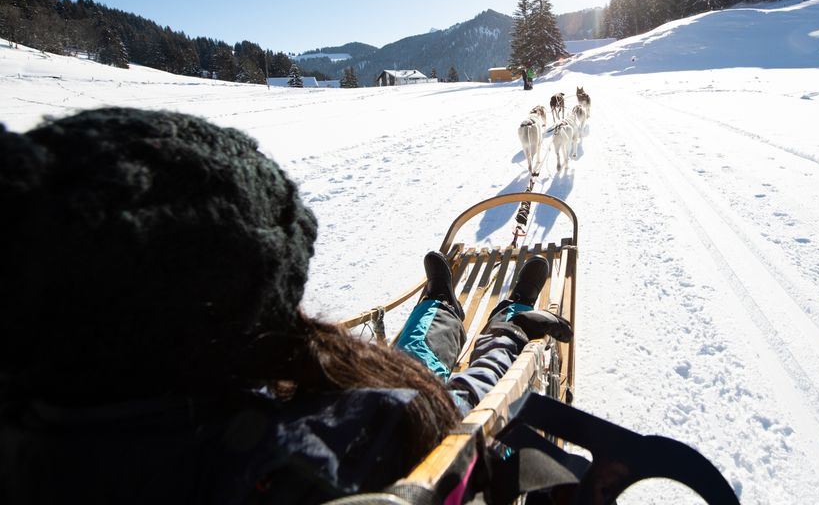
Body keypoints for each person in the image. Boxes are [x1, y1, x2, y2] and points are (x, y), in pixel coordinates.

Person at [0, 107, 571, 504]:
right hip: (426, 427)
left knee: (417, 355)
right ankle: (506, 318)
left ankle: (439, 304)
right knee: (432, 379)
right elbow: (461, 413)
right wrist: (511, 342)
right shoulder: (334, 446)